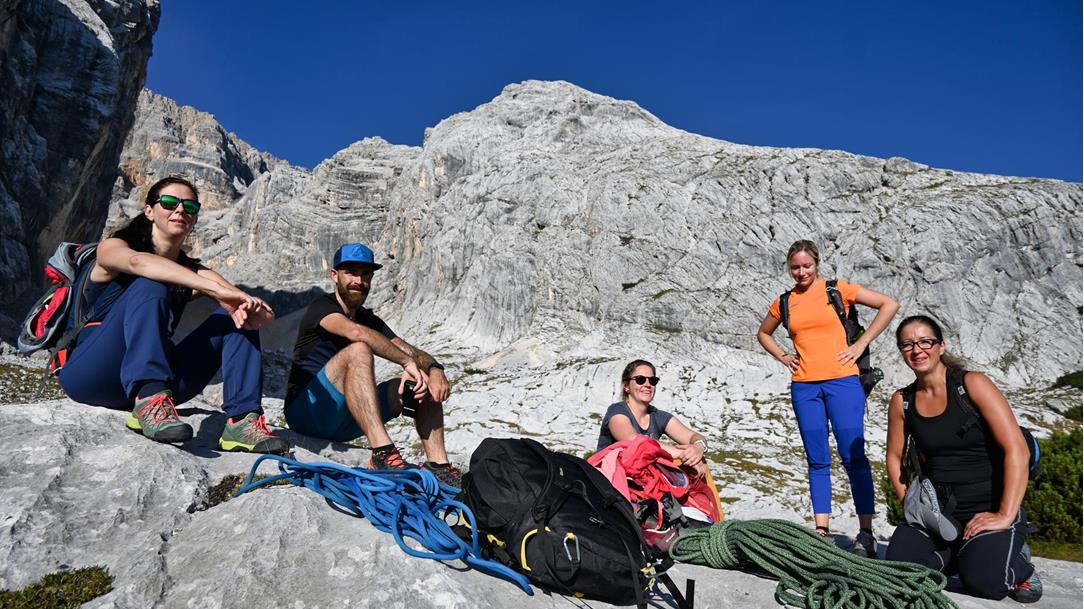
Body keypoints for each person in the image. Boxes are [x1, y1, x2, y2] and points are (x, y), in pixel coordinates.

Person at [59, 176, 288, 454]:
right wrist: (210, 287)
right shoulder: (114, 247)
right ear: (149, 211)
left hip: (162, 387)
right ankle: (149, 397)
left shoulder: (193, 270)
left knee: (234, 314)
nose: (180, 210)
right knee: (151, 282)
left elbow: (254, 310)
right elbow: (138, 262)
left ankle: (242, 421)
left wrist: (255, 314)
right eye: (169, 203)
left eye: (190, 206)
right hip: (91, 375)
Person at [756, 239, 899, 557]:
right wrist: (783, 356)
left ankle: (865, 533)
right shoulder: (784, 301)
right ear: (789, 268)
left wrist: (860, 345)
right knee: (817, 458)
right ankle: (822, 530)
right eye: (795, 267)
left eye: (807, 266)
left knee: (854, 457)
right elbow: (763, 333)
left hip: (844, 382)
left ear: (817, 264)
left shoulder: (838, 289)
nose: (801, 272)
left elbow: (890, 305)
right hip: (804, 386)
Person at [884, 315, 1041, 603]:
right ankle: (959, 555)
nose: (917, 350)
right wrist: (912, 505)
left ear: (941, 346)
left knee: (986, 584)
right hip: (939, 517)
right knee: (897, 572)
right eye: (907, 345)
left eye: (925, 342)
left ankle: (1019, 564)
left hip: (988, 509)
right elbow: (894, 458)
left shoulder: (972, 384)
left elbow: (1017, 449)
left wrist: (1005, 515)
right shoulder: (902, 401)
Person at [284, 242, 461, 486]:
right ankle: (382, 454)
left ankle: (439, 467)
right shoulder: (323, 307)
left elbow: (406, 348)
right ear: (335, 276)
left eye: (365, 274)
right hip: (306, 412)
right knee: (359, 350)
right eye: (351, 273)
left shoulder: (368, 319)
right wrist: (406, 361)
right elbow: (355, 333)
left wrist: (434, 369)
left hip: (346, 420)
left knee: (422, 383)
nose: (359, 280)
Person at [597, 359, 709, 478]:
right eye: (640, 380)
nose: (647, 384)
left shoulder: (658, 416)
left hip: (640, 480)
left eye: (652, 380)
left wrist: (698, 447)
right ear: (626, 386)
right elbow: (634, 440)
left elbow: (692, 436)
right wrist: (683, 454)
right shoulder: (617, 411)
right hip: (607, 483)